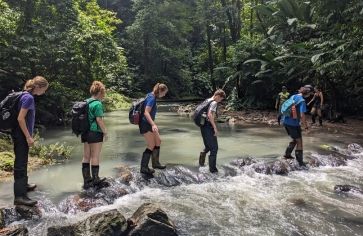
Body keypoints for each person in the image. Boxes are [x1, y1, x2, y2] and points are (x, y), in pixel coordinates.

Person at [12, 76, 49, 206]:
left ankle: (24, 186)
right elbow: (20, 118)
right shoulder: (28, 98)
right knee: (20, 164)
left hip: (19, 133)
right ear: (38, 87)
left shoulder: (24, 95)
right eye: (44, 89)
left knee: (23, 160)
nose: (44, 92)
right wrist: (28, 136)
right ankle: (20, 196)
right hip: (21, 135)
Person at [81, 81, 108, 189]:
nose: (104, 94)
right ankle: (96, 180)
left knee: (86, 156)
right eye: (104, 92)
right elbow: (99, 120)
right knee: (95, 156)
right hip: (95, 132)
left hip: (85, 132)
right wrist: (105, 131)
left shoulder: (86, 102)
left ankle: (87, 181)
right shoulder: (98, 104)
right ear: (100, 92)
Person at [139, 83, 168, 175]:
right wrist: (153, 124)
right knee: (151, 145)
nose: (164, 95)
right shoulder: (151, 98)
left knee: (158, 141)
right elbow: (146, 112)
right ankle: (144, 168)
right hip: (145, 124)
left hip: (149, 123)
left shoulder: (151, 95)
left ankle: (155, 163)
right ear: (160, 91)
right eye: (164, 93)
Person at [282, 85, 313, 167]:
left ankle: (287, 155)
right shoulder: (302, 101)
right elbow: (302, 115)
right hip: (293, 123)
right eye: (310, 94)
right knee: (299, 141)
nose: (310, 95)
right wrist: (306, 127)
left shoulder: (293, 96)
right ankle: (300, 162)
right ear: (307, 93)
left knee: (295, 139)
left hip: (285, 121)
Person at [198, 89, 226, 173]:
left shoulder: (207, 100)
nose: (220, 101)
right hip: (208, 127)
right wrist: (215, 127)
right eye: (221, 99)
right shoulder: (214, 102)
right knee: (214, 148)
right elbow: (210, 115)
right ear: (217, 96)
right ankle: (213, 170)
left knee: (208, 146)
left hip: (202, 126)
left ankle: (201, 164)